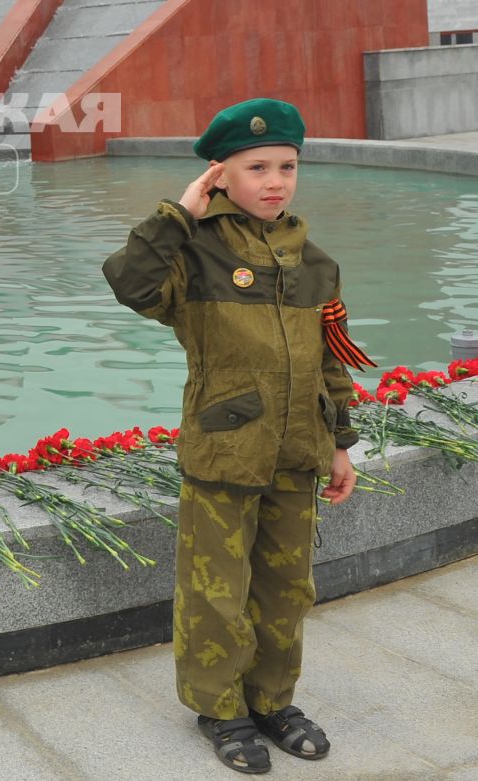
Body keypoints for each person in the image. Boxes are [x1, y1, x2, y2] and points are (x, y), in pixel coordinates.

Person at [102, 99, 363, 775]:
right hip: (225, 447)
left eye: (287, 165)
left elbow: (331, 360)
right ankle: (220, 708)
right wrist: (180, 214)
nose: (275, 180)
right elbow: (128, 281)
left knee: (286, 585)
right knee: (216, 588)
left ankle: (273, 700)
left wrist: (340, 441)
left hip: (297, 450)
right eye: (256, 167)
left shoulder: (315, 261)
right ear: (222, 174)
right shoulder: (195, 253)